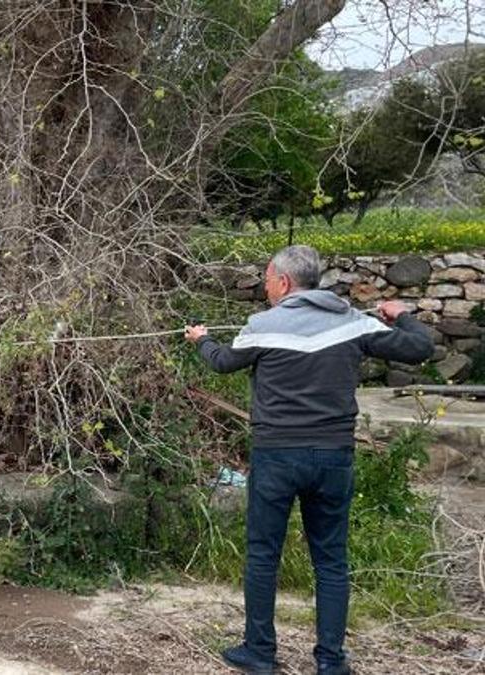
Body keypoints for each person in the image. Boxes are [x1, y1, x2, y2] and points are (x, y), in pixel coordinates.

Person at [185, 245, 433, 675]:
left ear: (283, 282)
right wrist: (400, 312)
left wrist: (201, 339)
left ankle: (260, 654)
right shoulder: (355, 323)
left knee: (264, 554)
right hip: (334, 457)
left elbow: (223, 362)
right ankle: (331, 662)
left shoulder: (263, 325)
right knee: (331, 561)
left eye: (266, 279)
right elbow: (419, 347)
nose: (264, 287)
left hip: (276, 456)